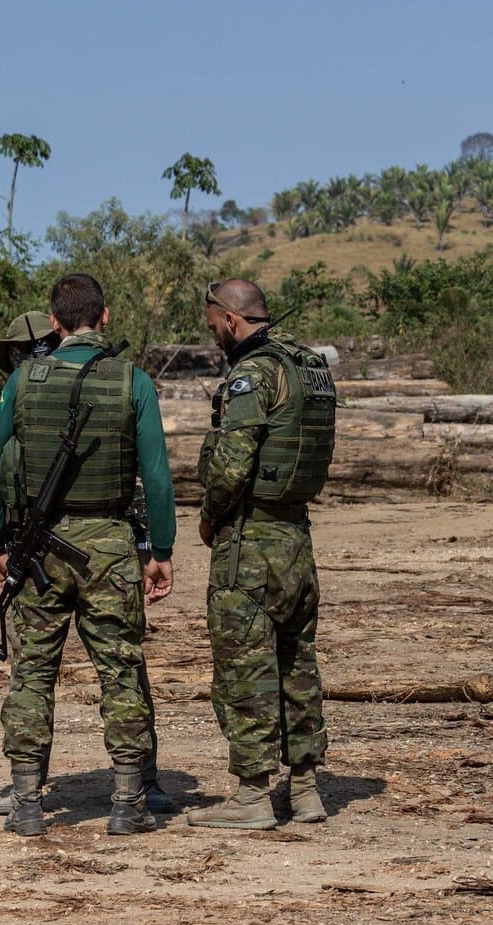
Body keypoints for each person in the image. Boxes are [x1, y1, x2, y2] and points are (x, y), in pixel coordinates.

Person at [0, 315, 177, 821]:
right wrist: (158, 548)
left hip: (39, 554)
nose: (26, 357)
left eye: (36, 346)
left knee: (39, 673)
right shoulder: (125, 380)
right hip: (80, 548)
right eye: (18, 351)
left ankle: (50, 797)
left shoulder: (27, 390)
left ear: (56, 328)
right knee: (114, 668)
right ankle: (119, 798)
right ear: (101, 318)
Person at [188, 279, 336, 831]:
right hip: (297, 536)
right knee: (298, 662)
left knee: (245, 667)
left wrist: (209, 516)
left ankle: (252, 795)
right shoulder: (307, 366)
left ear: (230, 318)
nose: (214, 336)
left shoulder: (253, 374)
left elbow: (232, 465)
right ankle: (305, 789)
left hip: (250, 543)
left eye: (213, 325)